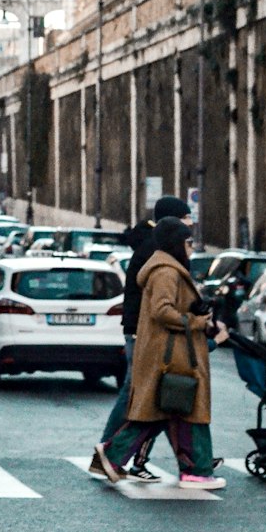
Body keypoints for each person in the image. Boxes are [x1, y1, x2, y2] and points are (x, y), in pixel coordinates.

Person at [94, 217, 228, 490]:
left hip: (170, 353)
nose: (191, 247)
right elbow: (162, 311)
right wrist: (198, 322)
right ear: (175, 243)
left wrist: (196, 310)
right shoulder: (166, 271)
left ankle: (112, 458)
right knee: (185, 411)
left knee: (162, 413)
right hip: (172, 356)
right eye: (188, 242)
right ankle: (195, 472)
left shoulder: (167, 269)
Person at [92, 194, 193, 482]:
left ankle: (186, 458)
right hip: (145, 331)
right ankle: (109, 451)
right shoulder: (157, 250)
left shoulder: (153, 246)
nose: (190, 223)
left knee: (160, 394)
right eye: (185, 217)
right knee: (143, 393)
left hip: (141, 329)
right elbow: (161, 301)